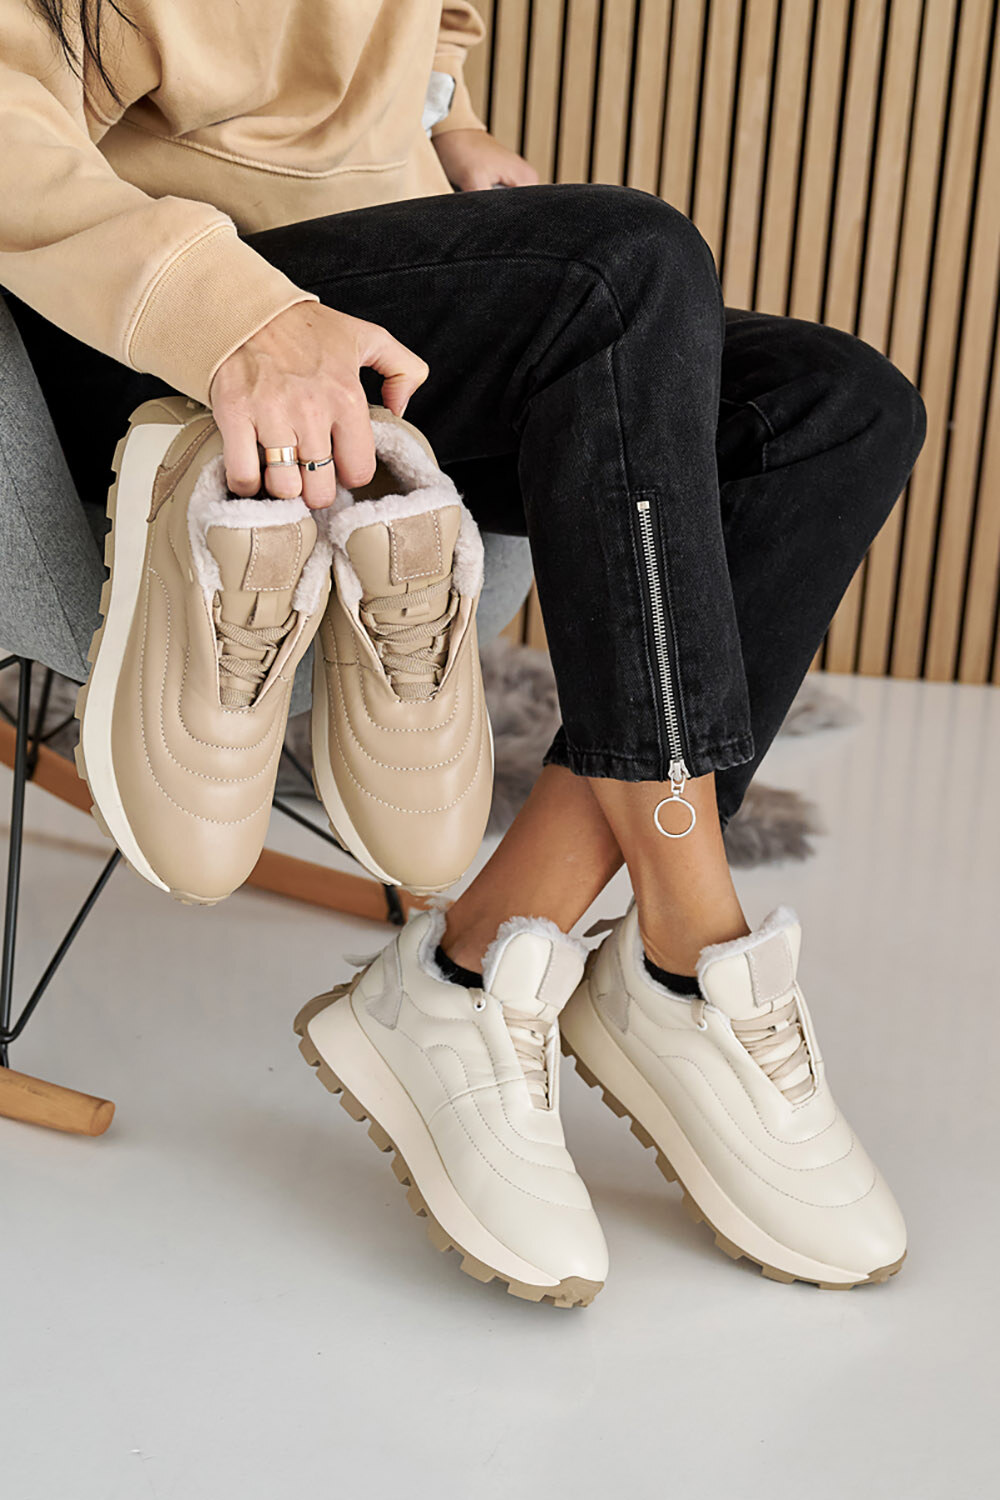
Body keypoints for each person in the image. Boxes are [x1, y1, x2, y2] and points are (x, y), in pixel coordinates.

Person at [0, 1, 926, 1306]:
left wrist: (446, 121)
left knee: (837, 409)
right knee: (624, 269)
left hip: (369, 295)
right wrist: (235, 319)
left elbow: (411, 23)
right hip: (144, 311)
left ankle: (485, 956)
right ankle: (688, 955)